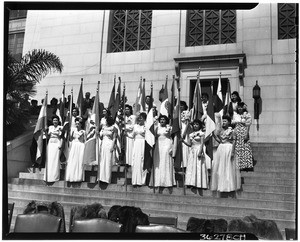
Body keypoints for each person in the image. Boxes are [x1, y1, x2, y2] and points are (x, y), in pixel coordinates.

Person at [211, 115, 241, 192]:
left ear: (229, 122)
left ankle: (229, 186)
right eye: (223, 121)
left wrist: (233, 151)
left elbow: (234, 141)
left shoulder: (232, 131)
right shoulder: (221, 131)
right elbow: (221, 141)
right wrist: (214, 136)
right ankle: (221, 185)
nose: (223, 122)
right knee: (221, 166)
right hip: (221, 148)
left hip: (228, 148)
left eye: (225, 121)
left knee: (228, 166)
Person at [150, 115, 176, 189]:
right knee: (158, 161)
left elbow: (171, 136)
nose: (162, 121)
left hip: (166, 144)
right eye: (161, 119)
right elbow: (155, 136)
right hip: (159, 145)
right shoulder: (157, 127)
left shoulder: (169, 127)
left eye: (163, 119)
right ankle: (158, 181)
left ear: (166, 120)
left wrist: (171, 147)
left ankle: (167, 181)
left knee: (165, 161)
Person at [182, 119, 209, 189]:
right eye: (194, 124)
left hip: (198, 150)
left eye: (197, 124)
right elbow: (190, 144)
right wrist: (183, 142)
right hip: (192, 151)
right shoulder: (191, 134)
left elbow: (202, 143)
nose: (195, 125)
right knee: (191, 166)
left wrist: (200, 152)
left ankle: (199, 183)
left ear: (199, 126)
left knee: (198, 166)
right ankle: (191, 182)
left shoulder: (201, 133)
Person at [232, 102, 253, 171]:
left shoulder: (247, 114)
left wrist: (247, 133)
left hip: (244, 131)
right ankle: (238, 164)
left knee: (245, 147)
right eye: (239, 107)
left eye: (241, 107)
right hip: (237, 132)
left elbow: (248, 125)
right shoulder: (235, 115)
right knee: (237, 148)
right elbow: (233, 123)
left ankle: (246, 165)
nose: (240, 108)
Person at [128, 112, 147, 186]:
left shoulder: (145, 126)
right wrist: (126, 133)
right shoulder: (135, 126)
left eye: (141, 118)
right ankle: (135, 180)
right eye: (139, 117)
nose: (139, 119)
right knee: (135, 160)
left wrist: (141, 133)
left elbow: (148, 136)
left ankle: (141, 181)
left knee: (142, 160)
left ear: (144, 119)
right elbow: (132, 135)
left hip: (143, 143)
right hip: (136, 143)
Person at [65, 118, 86, 182]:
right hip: (74, 146)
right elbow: (71, 139)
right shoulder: (73, 131)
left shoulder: (83, 131)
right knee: (73, 160)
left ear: (80, 124)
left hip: (80, 146)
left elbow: (85, 140)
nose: (77, 125)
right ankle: (71, 176)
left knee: (79, 161)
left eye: (78, 124)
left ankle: (78, 176)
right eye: (76, 124)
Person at [44, 115, 62, 182]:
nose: (55, 121)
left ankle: (55, 176)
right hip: (50, 143)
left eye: (56, 120)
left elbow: (61, 136)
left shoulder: (60, 127)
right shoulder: (50, 127)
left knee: (55, 160)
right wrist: (45, 130)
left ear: (58, 121)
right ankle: (48, 176)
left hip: (57, 143)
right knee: (49, 159)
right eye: (54, 120)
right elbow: (47, 136)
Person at [98, 116, 117, 183]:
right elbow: (100, 137)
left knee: (108, 161)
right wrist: (98, 133)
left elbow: (114, 138)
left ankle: (107, 178)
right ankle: (101, 177)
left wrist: (112, 146)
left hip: (109, 144)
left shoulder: (113, 128)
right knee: (102, 160)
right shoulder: (103, 128)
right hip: (103, 144)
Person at [180, 101, 191, 169]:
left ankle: (185, 163)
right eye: (180, 105)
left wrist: (184, 132)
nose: (181, 107)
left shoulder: (187, 112)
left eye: (182, 105)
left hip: (184, 128)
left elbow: (187, 123)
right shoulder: (177, 112)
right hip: (179, 128)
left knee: (184, 145)